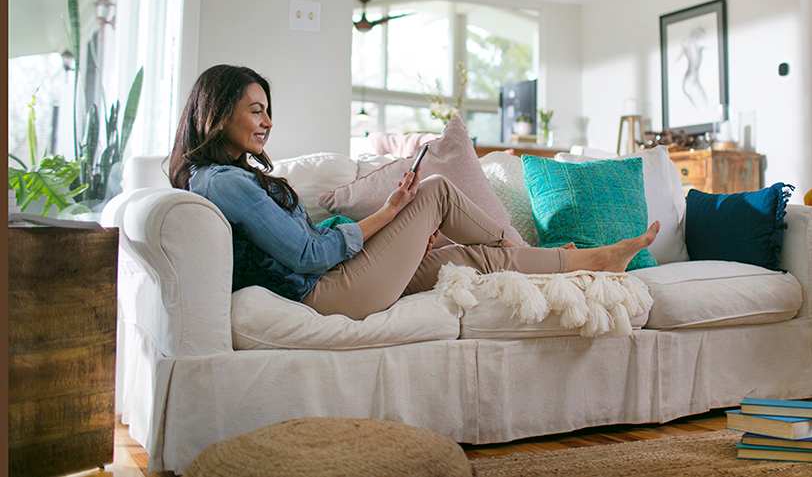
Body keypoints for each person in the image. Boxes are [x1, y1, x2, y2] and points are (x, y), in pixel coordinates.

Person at [168, 64, 660, 321]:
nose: (268, 121)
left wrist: (395, 226)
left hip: (340, 279)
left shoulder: (223, 177)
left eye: (266, 110)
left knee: (470, 258)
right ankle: (535, 251)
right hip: (327, 293)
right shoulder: (224, 181)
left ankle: (593, 261)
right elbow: (309, 252)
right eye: (256, 110)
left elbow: (312, 238)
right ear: (217, 111)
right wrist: (390, 215)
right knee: (437, 191)